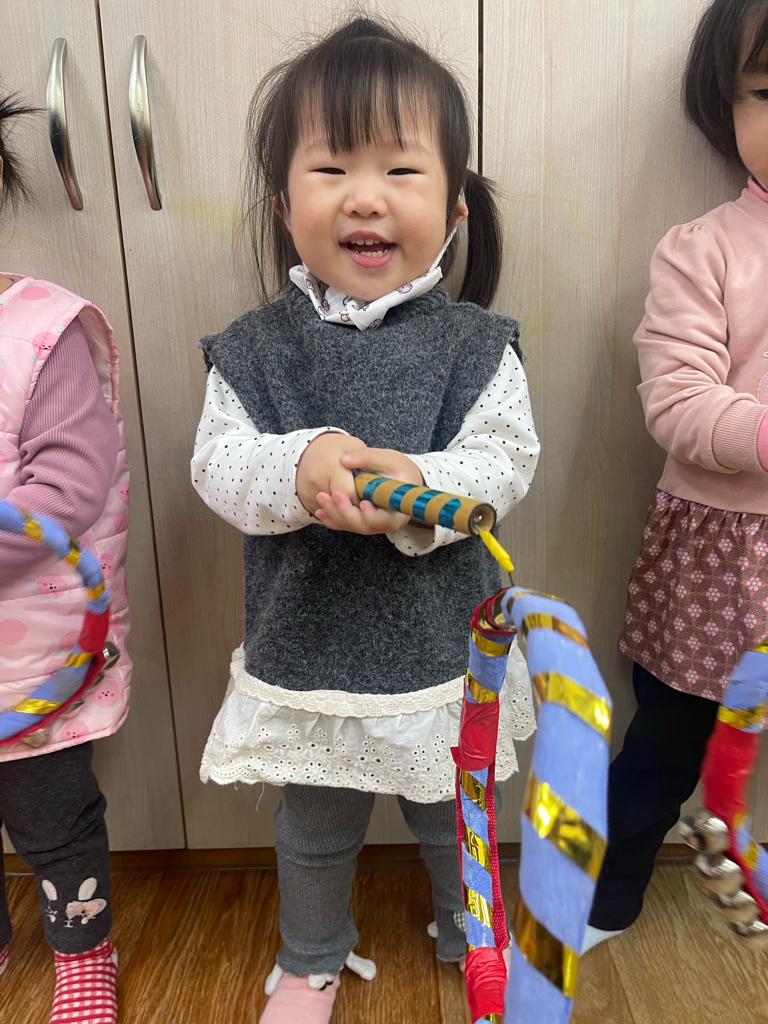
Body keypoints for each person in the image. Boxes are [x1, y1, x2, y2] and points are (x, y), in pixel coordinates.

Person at [190, 16, 539, 1023]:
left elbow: (504, 461)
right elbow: (217, 467)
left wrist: (417, 484)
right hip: (310, 650)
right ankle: (310, 959)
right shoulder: (252, 351)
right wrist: (297, 467)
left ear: (455, 204)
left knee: (456, 815)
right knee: (313, 825)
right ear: (283, 204)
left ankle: (472, 934)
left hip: (441, 649)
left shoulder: (477, 346)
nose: (365, 195)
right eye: (332, 166)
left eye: (400, 168)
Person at [584, 0, 768, 953]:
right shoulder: (705, 248)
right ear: (724, 105)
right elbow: (678, 400)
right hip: (723, 555)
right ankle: (602, 895)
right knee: (664, 745)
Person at [0, 94, 131, 1023]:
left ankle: (83, 952)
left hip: (30, 657)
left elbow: (71, 488)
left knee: (52, 821)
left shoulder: (34, 336)